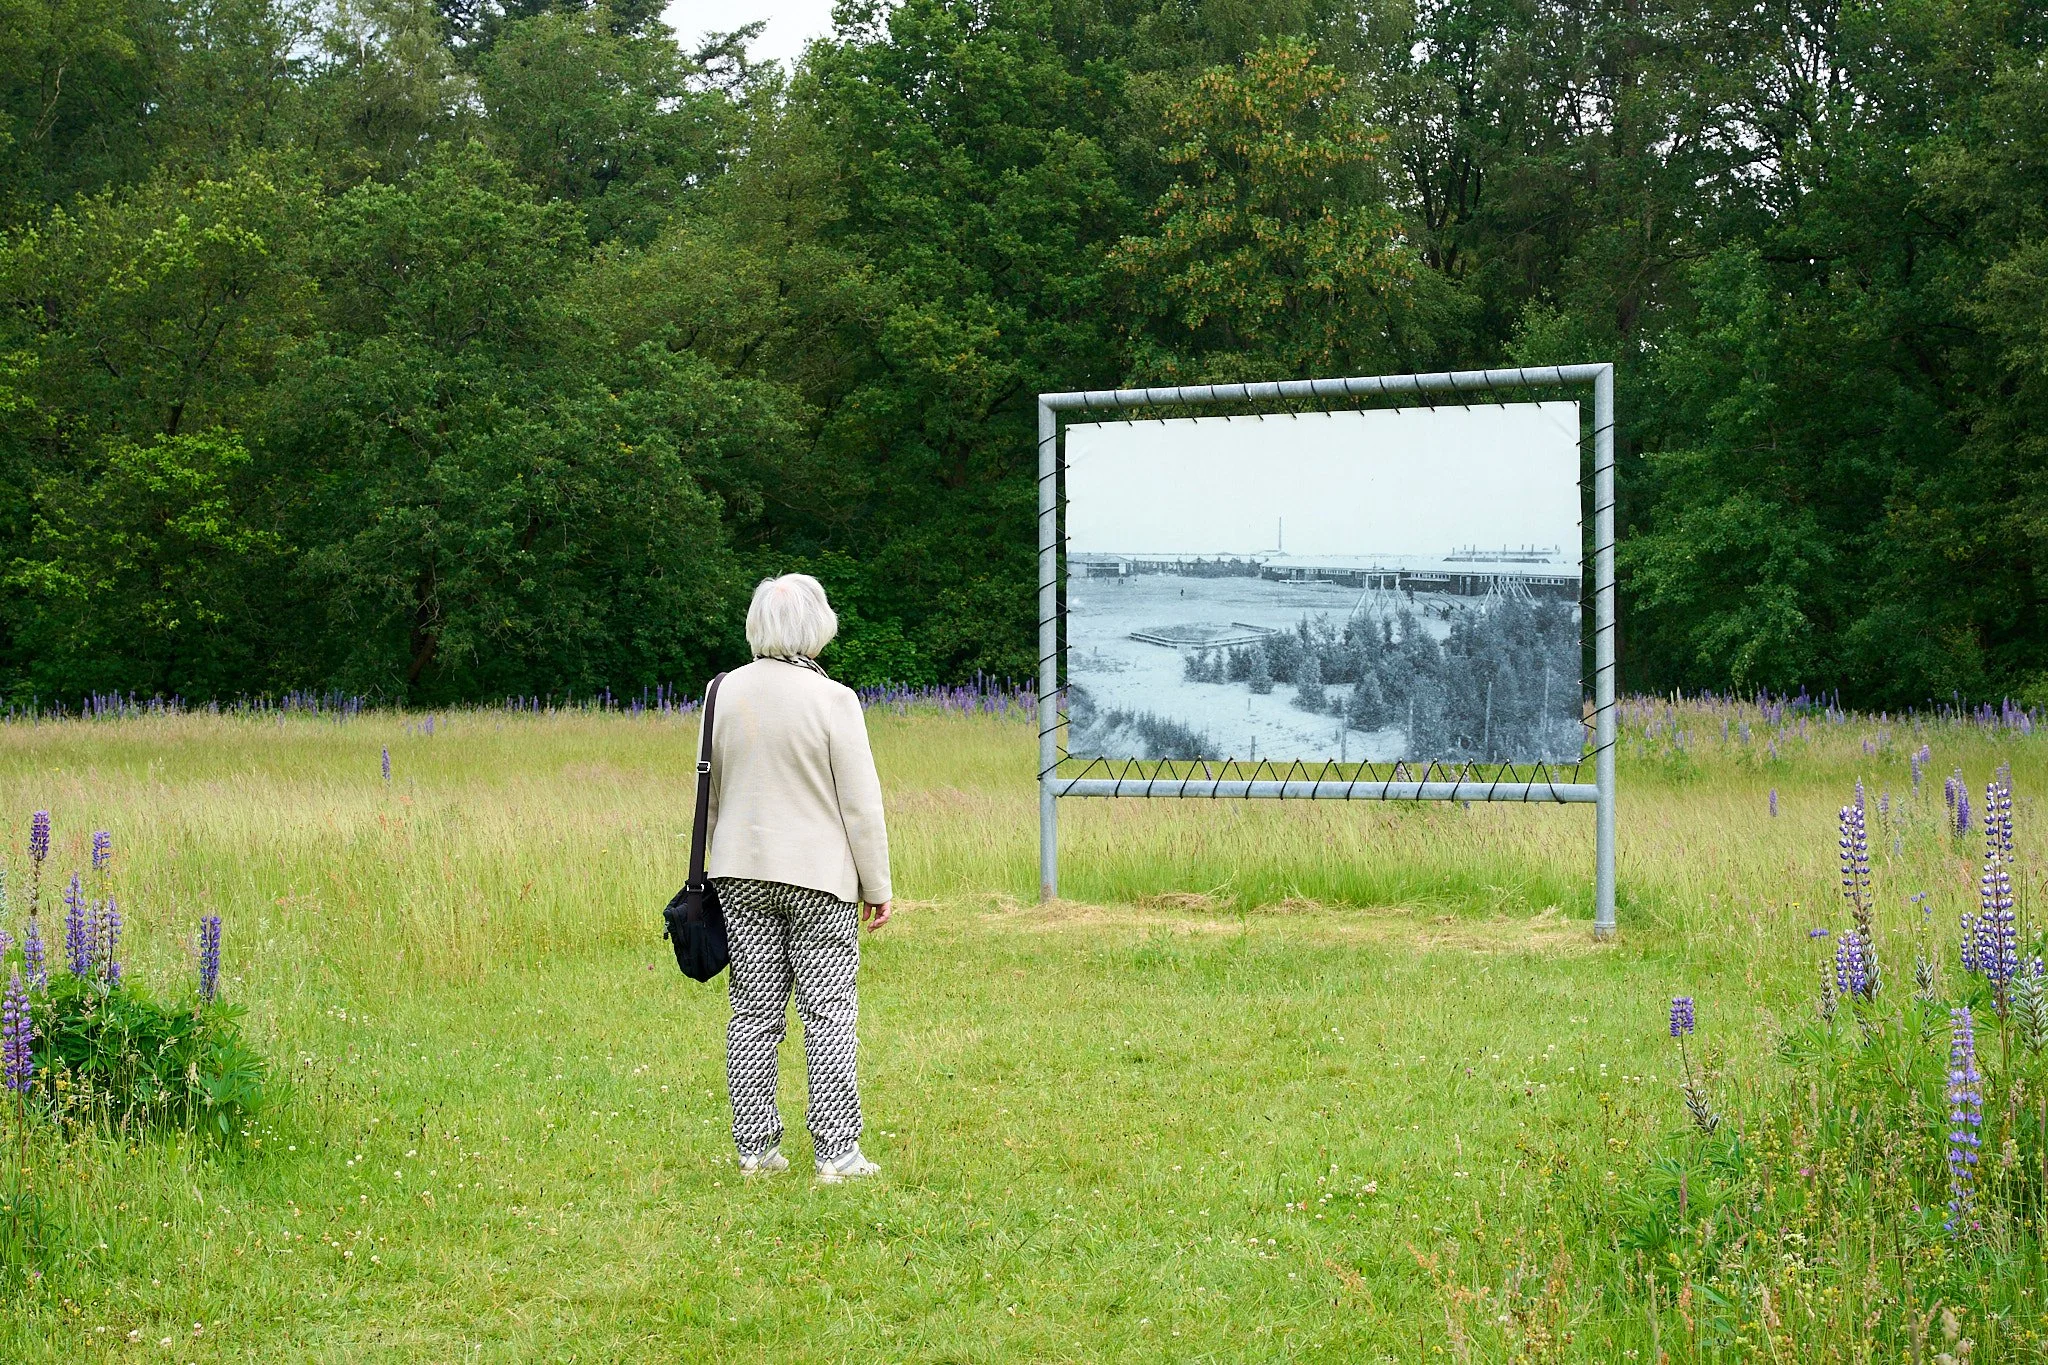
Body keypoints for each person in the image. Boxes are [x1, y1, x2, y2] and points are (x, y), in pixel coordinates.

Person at [703, 574, 893, 1182]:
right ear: (817, 627)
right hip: (818, 879)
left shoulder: (721, 694)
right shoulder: (834, 699)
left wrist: (716, 862)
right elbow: (861, 806)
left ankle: (755, 1150)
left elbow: (710, 795)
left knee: (753, 1012)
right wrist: (878, 886)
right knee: (828, 1013)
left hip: (738, 872)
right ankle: (838, 1155)